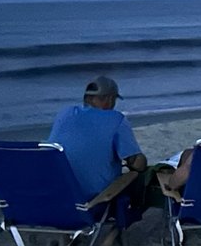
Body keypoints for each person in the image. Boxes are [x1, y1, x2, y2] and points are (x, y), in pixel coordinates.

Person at [47, 75, 149, 212]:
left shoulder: (64, 114)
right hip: (95, 198)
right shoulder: (116, 119)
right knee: (136, 174)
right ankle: (121, 224)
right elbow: (137, 163)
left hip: (59, 193)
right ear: (109, 99)